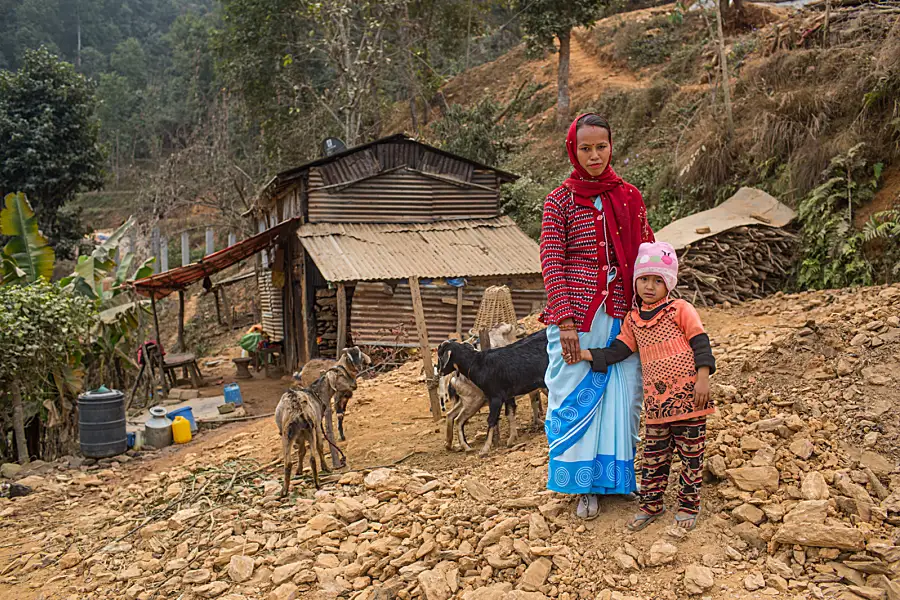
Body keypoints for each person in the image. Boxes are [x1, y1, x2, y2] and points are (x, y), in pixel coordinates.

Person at [540, 113, 655, 520]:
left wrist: (650, 308)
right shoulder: (560, 200)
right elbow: (552, 261)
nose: (594, 155)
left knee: (624, 392)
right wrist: (566, 322)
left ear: (611, 146)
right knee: (571, 390)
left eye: (601, 146)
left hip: (624, 310)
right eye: (585, 148)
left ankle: (616, 479)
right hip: (578, 313)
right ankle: (581, 485)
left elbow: (646, 255)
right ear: (573, 149)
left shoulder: (630, 197)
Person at [581, 241, 716, 531]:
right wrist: (585, 355)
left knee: (691, 457)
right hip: (657, 406)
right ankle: (651, 505)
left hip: (690, 400)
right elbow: (618, 351)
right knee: (654, 458)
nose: (650, 286)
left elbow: (700, 341)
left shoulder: (680, 309)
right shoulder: (632, 320)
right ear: (636, 282)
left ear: (669, 283)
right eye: (644, 279)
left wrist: (703, 377)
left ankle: (689, 506)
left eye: (658, 280)